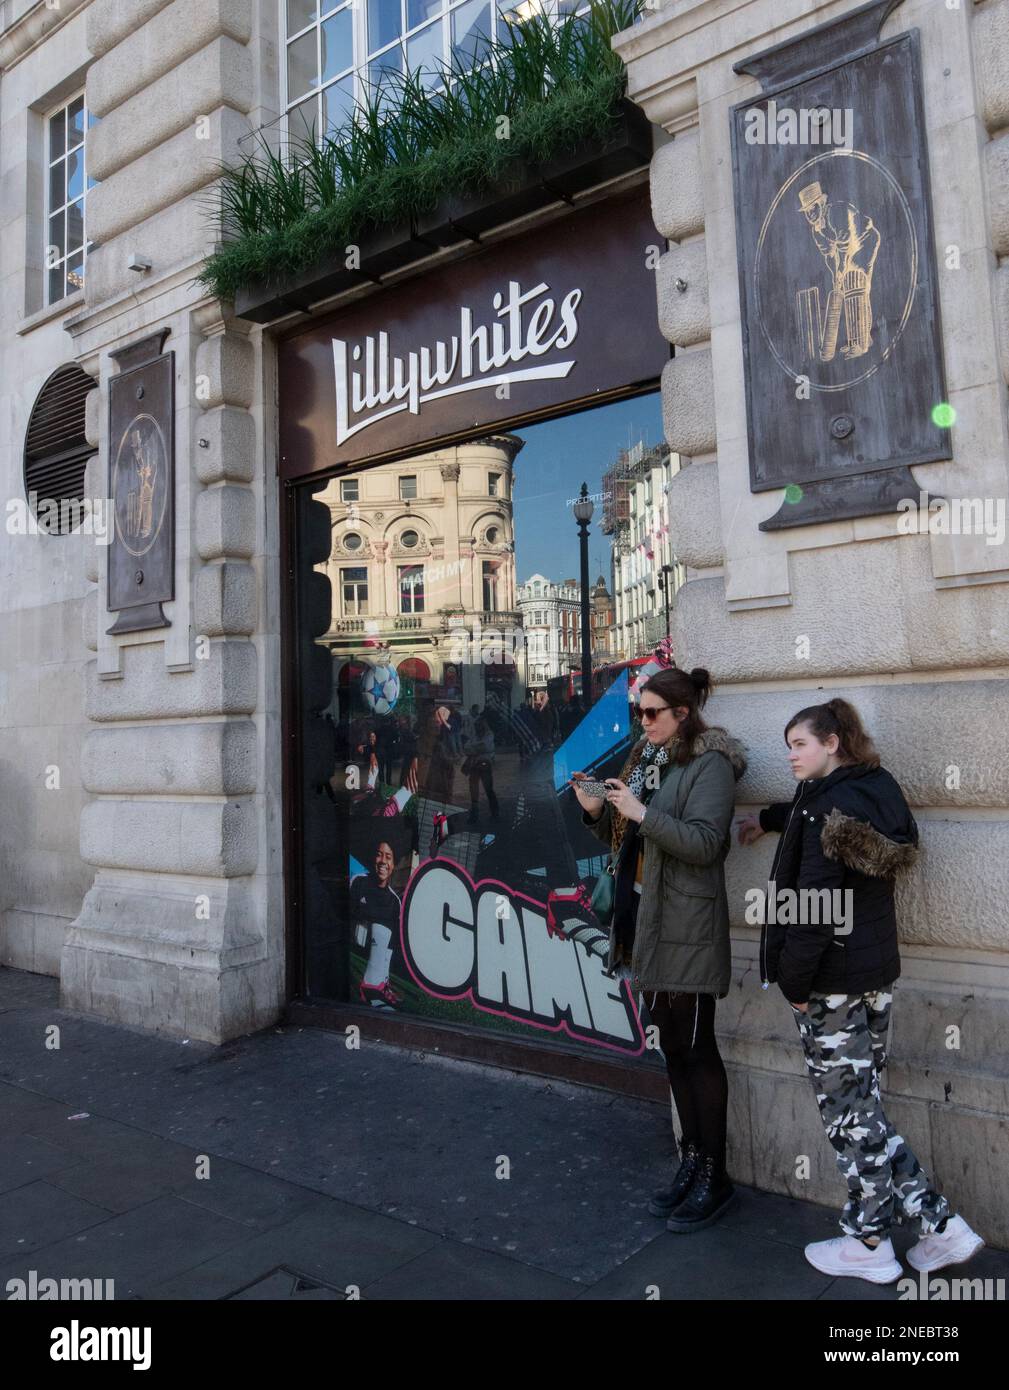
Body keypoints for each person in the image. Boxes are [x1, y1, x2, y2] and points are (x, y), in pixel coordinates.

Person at [737, 697, 984, 1282]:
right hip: (873, 977)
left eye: (799, 744)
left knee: (850, 1116)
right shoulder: (872, 789)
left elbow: (816, 910)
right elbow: (812, 820)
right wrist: (772, 820)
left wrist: (795, 984)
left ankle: (936, 1225)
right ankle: (871, 1238)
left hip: (830, 983)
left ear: (832, 744)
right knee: (862, 1107)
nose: (790, 756)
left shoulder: (827, 807)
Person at [571, 666, 747, 1232]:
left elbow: (705, 843)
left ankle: (714, 1176)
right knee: (672, 1047)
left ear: (682, 714)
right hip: (645, 920)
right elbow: (629, 841)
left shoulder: (710, 764)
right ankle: (689, 1163)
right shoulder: (647, 760)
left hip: (688, 924)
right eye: (638, 713)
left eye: (651, 713)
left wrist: (643, 812)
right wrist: (598, 810)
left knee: (697, 1050)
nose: (641, 722)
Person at [349, 840, 403, 1008]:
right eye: (379, 855)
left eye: (388, 857)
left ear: (393, 864)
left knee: (387, 936)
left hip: (376, 951)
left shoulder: (395, 901)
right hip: (357, 944)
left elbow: (390, 946)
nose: (383, 861)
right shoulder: (358, 882)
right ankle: (370, 985)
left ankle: (379, 984)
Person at [463, 717, 500, 826]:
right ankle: (475, 814)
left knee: (488, 788)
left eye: (480, 725)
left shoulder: (489, 735)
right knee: (473, 790)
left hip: (484, 764)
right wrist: (477, 748)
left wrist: (473, 749)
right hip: (475, 764)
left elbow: (485, 747)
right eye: (477, 725)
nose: (478, 727)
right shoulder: (475, 736)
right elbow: (466, 748)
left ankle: (494, 811)